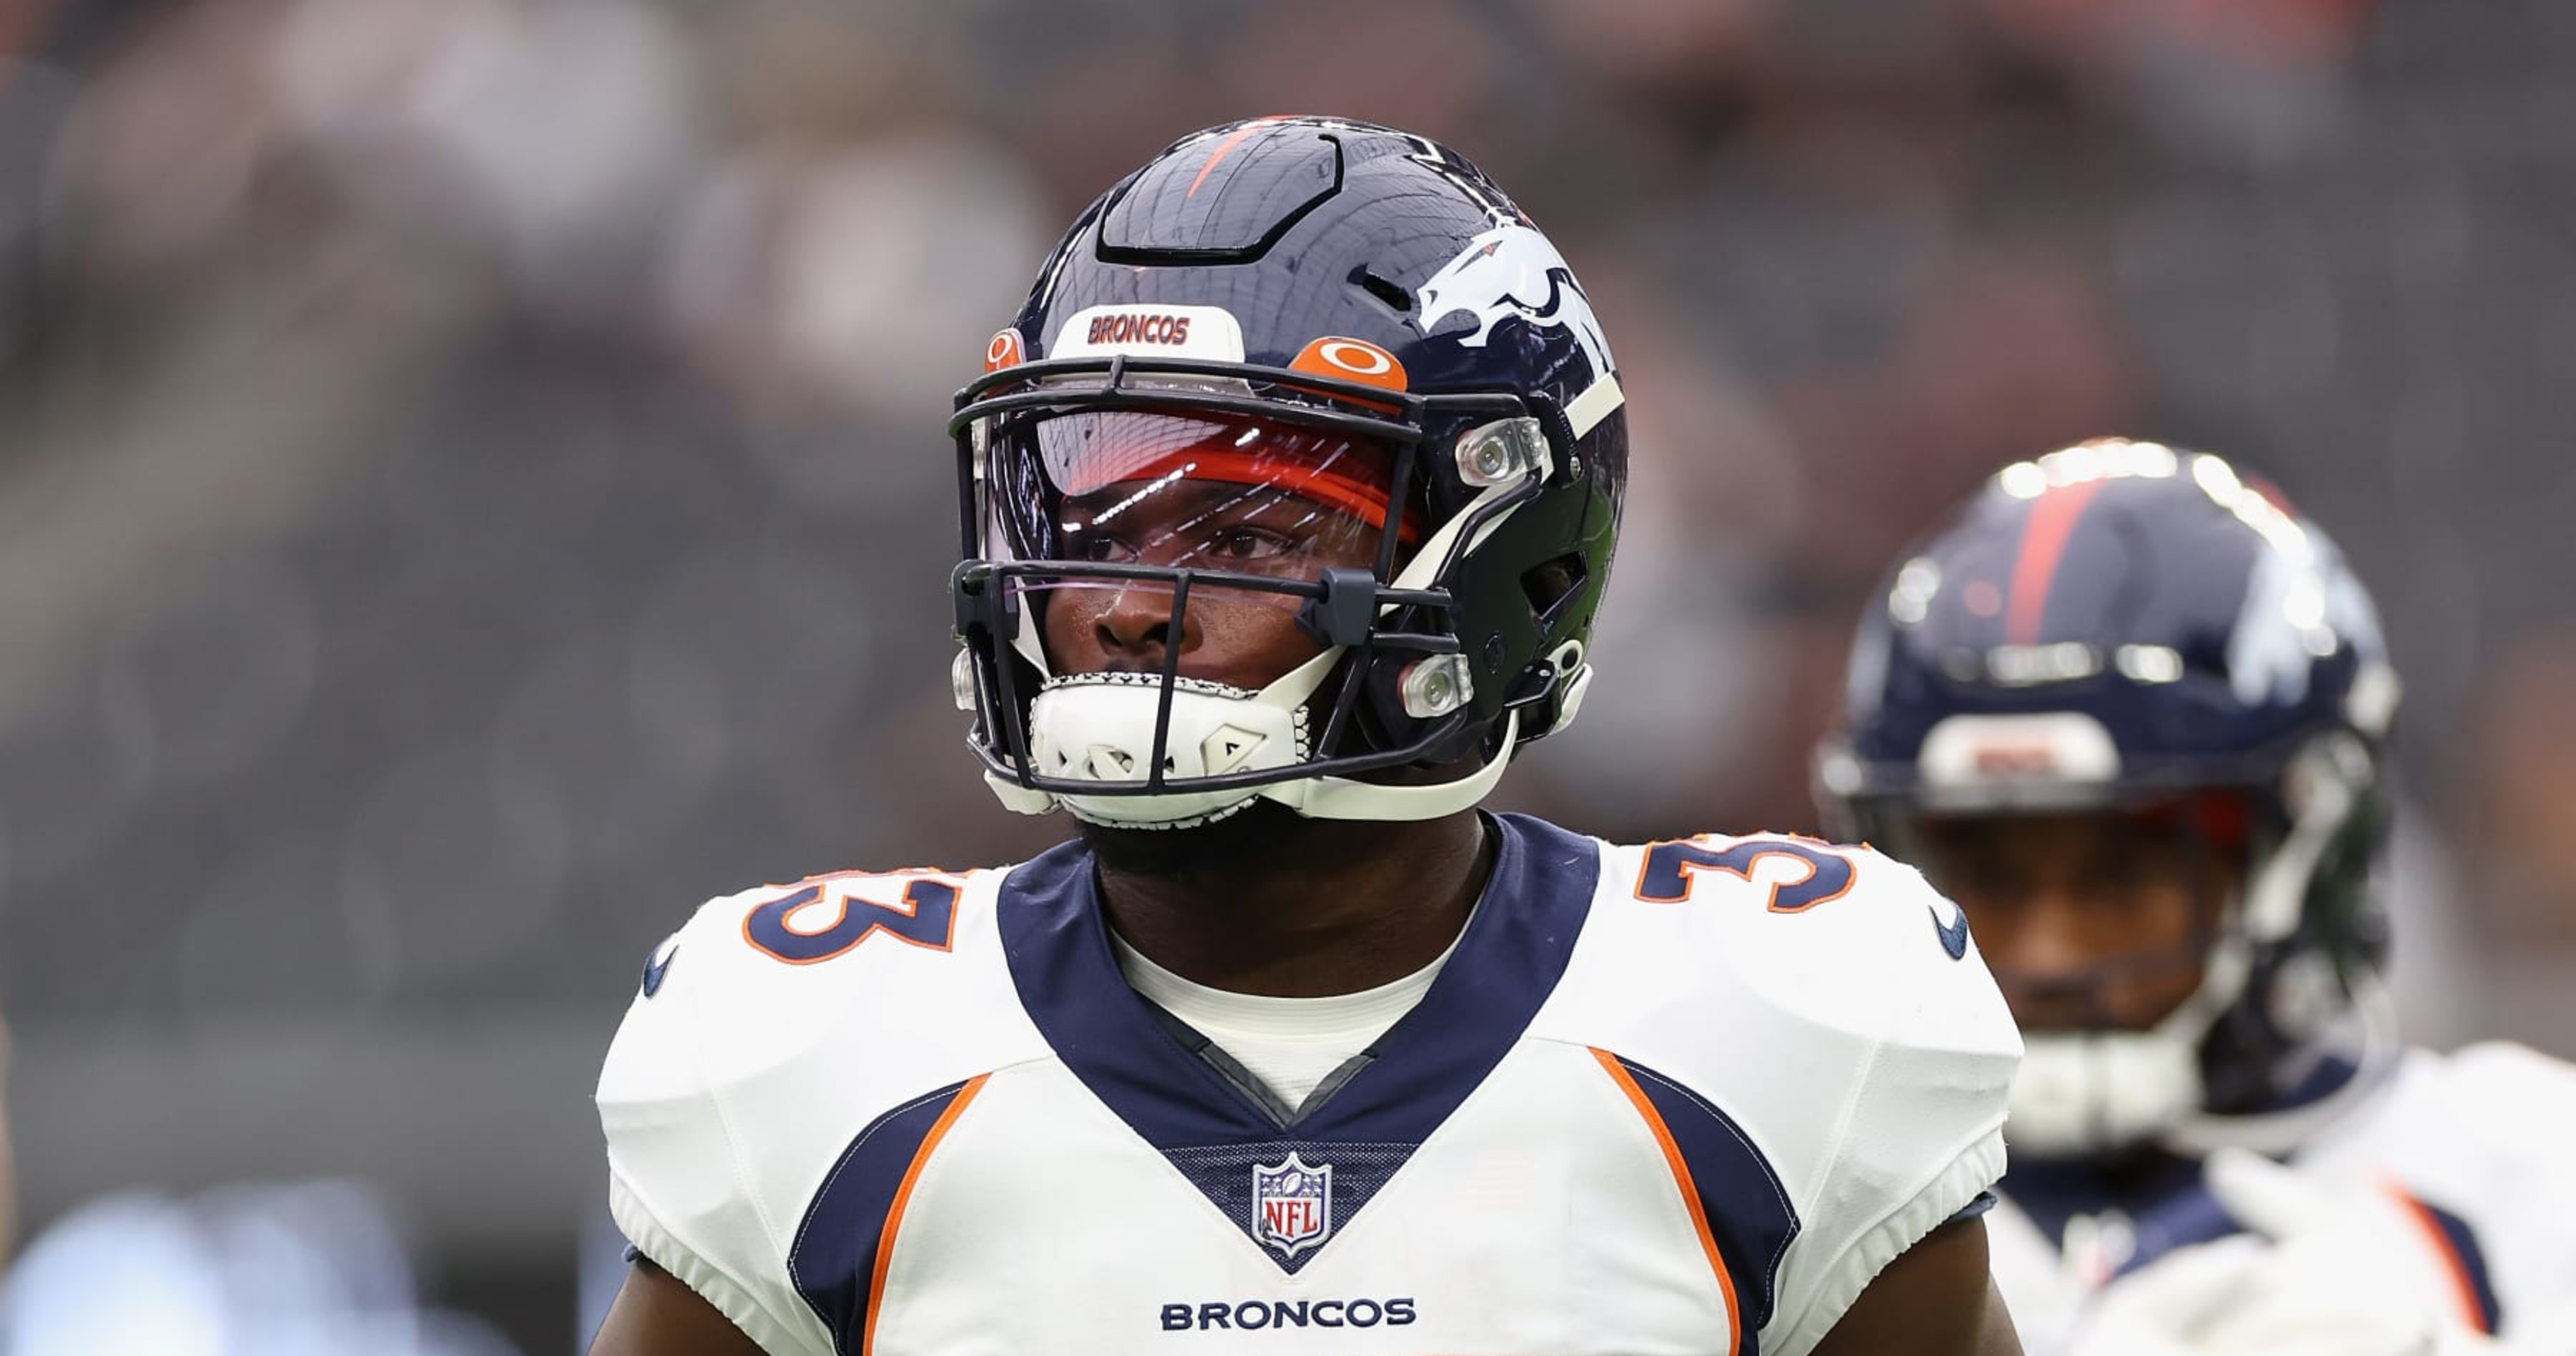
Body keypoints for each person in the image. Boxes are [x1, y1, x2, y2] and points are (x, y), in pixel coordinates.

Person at [586, 115, 2025, 1356]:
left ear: (1504, 558)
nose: (1129, 603)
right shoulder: (806, 1052)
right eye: (1080, 518)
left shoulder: (1784, 1026)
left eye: (1252, 524)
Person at [1813, 439, 2576, 1355]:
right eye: (1992, 879)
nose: (2047, 951)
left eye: (2123, 876)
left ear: (2305, 845)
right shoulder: (1810, 1205)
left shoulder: (2525, 1164)